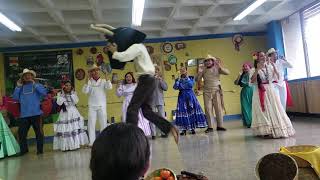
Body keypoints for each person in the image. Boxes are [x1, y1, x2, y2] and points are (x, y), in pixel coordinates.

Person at [90, 24, 178, 143]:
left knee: (132, 109)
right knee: (146, 111)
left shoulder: (136, 47)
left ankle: (131, 138)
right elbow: (125, 57)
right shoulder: (139, 47)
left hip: (146, 79)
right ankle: (169, 127)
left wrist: (114, 52)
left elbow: (124, 56)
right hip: (149, 80)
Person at [250, 51, 295, 138]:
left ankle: (276, 128)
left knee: (274, 108)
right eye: (261, 56)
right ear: (257, 58)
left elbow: (277, 77)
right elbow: (251, 81)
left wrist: (273, 66)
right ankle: (266, 130)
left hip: (270, 90)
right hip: (260, 91)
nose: (264, 57)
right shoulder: (253, 69)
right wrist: (257, 70)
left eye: (264, 56)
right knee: (263, 110)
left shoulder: (269, 67)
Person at [13, 69, 47, 155]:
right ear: (22, 78)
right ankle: (24, 150)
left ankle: (40, 150)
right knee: (21, 134)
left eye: (29, 75)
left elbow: (44, 93)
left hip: (37, 114)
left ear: (32, 76)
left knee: (39, 133)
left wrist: (34, 83)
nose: (27, 77)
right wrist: (18, 87)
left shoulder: (37, 85)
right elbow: (15, 98)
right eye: (25, 75)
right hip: (24, 115)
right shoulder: (20, 87)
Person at [196, 55, 230, 133]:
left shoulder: (217, 68)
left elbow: (227, 72)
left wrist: (220, 67)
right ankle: (210, 127)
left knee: (218, 109)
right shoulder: (203, 70)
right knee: (208, 109)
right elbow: (197, 79)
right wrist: (200, 72)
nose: (208, 62)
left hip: (217, 90)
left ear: (212, 61)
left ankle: (220, 126)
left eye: (209, 60)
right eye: (206, 61)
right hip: (206, 91)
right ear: (204, 63)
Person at [53, 81, 89, 151]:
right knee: (66, 129)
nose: (68, 87)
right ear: (63, 86)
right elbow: (59, 103)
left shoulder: (73, 93)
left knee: (74, 128)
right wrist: (62, 94)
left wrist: (72, 94)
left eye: (69, 85)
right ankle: (66, 146)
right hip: (64, 112)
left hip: (73, 111)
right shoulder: (60, 94)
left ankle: (75, 145)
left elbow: (76, 101)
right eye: (66, 85)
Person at [82, 64, 112, 146]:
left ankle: (104, 141)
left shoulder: (103, 81)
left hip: (102, 106)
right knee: (91, 124)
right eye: (92, 71)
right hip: (92, 106)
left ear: (99, 71)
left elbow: (109, 87)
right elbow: (84, 91)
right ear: (90, 73)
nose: (95, 72)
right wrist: (86, 80)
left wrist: (106, 76)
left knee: (103, 124)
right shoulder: (89, 82)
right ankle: (92, 142)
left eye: (96, 70)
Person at [116, 72, 151, 137]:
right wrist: (118, 86)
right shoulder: (123, 86)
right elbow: (118, 94)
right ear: (125, 78)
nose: (128, 78)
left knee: (138, 117)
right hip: (126, 104)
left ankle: (139, 134)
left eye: (129, 77)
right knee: (127, 118)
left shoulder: (136, 85)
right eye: (127, 77)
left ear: (132, 78)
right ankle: (129, 135)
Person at [174, 67, 207, 135]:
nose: (182, 71)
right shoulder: (178, 79)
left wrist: (187, 78)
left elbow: (191, 85)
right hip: (182, 97)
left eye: (184, 70)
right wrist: (178, 80)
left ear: (186, 71)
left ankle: (192, 128)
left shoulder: (191, 77)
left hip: (190, 96)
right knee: (182, 111)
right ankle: (183, 130)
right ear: (180, 72)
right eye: (181, 70)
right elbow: (175, 87)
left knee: (191, 111)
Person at [149, 65, 168, 139]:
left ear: (158, 71)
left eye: (156, 70)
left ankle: (164, 132)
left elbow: (165, 88)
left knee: (162, 117)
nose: (155, 71)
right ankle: (153, 134)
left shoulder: (161, 79)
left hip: (159, 100)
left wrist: (160, 80)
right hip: (150, 101)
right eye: (153, 70)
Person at [234, 62, 254, 128]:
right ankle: (248, 122)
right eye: (243, 66)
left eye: (246, 66)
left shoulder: (252, 73)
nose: (244, 67)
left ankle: (254, 121)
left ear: (250, 67)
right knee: (245, 107)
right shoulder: (242, 74)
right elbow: (236, 83)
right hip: (244, 92)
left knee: (253, 106)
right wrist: (239, 75)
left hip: (252, 90)